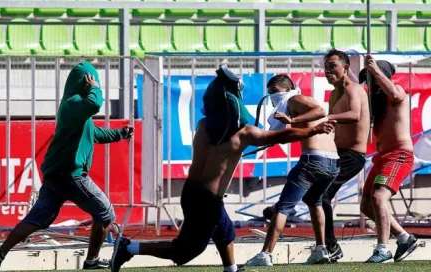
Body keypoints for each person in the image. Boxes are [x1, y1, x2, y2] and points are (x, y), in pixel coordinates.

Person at [110, 65, 337, 272]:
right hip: (206, 199)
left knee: (226, 232)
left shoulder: (203, 125)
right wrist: (312, 131)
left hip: (193, 193)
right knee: (184, 252)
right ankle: (128, 248)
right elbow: (282, 135)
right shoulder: (244, 133)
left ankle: (232, 270)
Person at [0, 62, 134, 271]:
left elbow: (95, 134)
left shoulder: (75, 109)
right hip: (71, 175)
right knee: (105, 212)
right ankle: (91, 261)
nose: (95, 84)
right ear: (85, 82)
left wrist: (121, 133)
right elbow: (95, 104)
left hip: (56, 175)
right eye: (92, 80)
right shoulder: (74, 104)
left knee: (37, 218)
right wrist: (96, 88)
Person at [245, 74, 340, 266]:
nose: (272, 97)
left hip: (314, 160)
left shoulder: (295, 99)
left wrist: (291, 118)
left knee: (283, 207)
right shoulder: (295, 101)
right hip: (331, 163)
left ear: (287, 89)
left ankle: (265, 254)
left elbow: (320, 111)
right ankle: (321, 249)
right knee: (314, 201)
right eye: (269, 93)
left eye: (275, 92)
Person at [358, 56, 418, 263]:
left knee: (379, 198)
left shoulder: (397, 92)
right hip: (381, 158)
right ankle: (404, 237)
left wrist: (375, 70)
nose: (370, 84)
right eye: (367, 79)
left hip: (399, 156)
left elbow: (392, 92)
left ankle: (382, 249)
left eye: (372, 78)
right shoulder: (376, 105)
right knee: (366, 205)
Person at [320, 49, 370, 262]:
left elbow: (354, 114)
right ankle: (324, 245)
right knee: (316, 195)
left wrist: (327, 116)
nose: (328, 71)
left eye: (333, 66)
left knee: (321, 195)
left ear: (346, 68)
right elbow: (333, 126)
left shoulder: (354, 88)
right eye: (326, 68)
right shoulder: (333, 93)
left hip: (352, 156)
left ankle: (330, 246)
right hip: (337, 154)